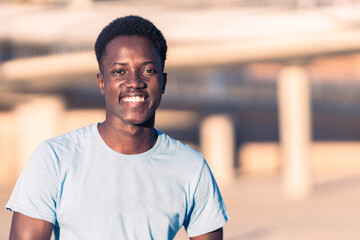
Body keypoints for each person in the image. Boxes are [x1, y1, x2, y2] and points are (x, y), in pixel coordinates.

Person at [6, 15, 229, 240]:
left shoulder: (191, 167)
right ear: (102, 82)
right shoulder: (55, 158)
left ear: (163, 81)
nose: (134, 82)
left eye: (148, 70)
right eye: (119, 72)